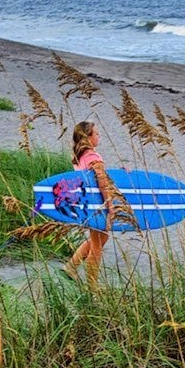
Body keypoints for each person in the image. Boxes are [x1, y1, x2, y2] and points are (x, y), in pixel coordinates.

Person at [63, 121, 112, 288]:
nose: (99, 136)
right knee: (97, 244)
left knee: (100, 238)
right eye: (96, 134)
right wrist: (109, 204)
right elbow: (102, 182)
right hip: (97, 205)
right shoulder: (93, 157)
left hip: (86, 204)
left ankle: (71, 266)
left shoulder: (79, 157)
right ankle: (92, 287)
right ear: (88, 137)